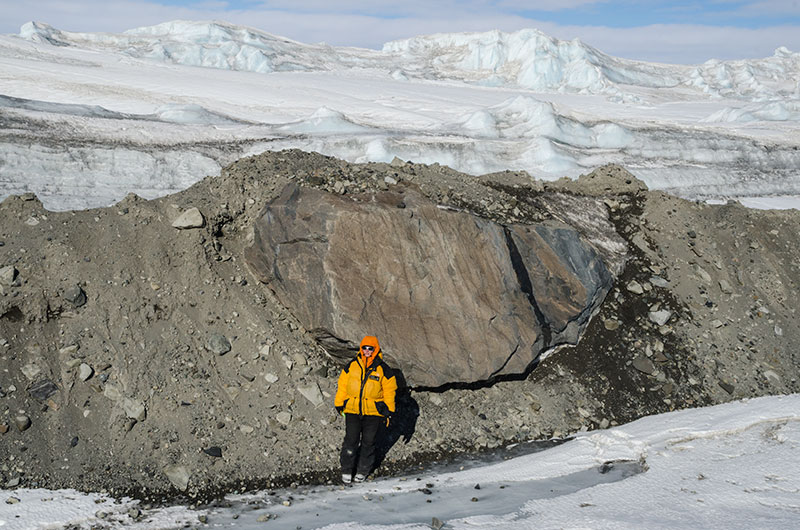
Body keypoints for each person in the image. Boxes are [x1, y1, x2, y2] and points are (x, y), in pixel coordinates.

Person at [334, 335, 397, 483]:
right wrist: (339, 403)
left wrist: (389, 411)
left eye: (370, 348)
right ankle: (347, 470)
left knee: (369, 442)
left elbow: (389, 391)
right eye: (364, 348)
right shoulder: (352, 365)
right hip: (352, 410)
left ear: (376, 350)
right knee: (351, 440)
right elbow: (342, 385)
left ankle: (362, 470)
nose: (367, 351)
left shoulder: (383, 369)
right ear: (361, 348)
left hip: (373, 413)